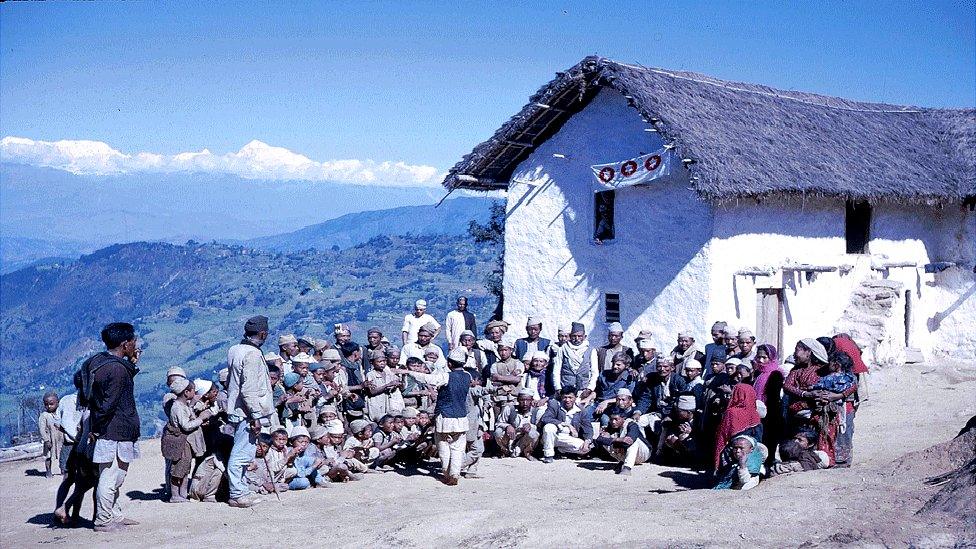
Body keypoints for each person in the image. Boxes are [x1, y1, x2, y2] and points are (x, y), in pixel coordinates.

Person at [82, 322, 142, 532]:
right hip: (114, 431)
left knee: (113, 475)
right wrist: (97, 429)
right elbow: (110, 402)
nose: (136, 345)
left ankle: (114, 514)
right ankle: (104, 520)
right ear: (125, 344)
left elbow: (111, 388)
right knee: (111, 477)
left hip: (109, 429)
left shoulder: (101, 362)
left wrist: (132, 364)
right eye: (133, 342)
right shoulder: (117, 369)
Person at [394, 348, 473, 485]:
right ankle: (454, 473)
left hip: (445, 416)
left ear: (449, 364)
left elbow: (428, 378)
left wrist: (408, 372)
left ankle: (447, 473)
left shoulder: (446, 376)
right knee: (458, 447)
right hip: (461, 416)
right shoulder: (467, 376)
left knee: (443, 445)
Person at [225, 315, 275, 508]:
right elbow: (248, 389)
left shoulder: (234, 349)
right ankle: (237, 493)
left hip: (237, 408)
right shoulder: (253, 354)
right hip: (247, 411)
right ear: (262, 334)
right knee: (242, 453)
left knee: (243, 449)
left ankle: (242, 489)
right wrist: (255, 415)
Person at [162, 377, 214, 502]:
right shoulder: (178, 407)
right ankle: (175, 495)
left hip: (186, 442)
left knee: (185, 467)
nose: (194, 393)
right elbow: (185, 425)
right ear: (186, 392)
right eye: (193, 391)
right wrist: (200, 419)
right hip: (181, 441)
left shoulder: (183, 405)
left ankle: (183, 493)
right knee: (178, 468)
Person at [713, 383, 762, 473]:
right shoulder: (755, 414)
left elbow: (723, 435)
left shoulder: (732, 412)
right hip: (752, 452)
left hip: (734, 452)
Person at [540, 386, 593, 463]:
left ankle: (560, 450)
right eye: (565, 397)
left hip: (567, 437)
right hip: (553, 435)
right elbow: (545, 418)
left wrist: (587, 441)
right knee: (549, 427)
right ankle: (548, 455)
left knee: (585, 448)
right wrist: (567, 425)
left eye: (570, 397)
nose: (567, 400)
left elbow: (588, 428)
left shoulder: (581, 410)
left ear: (575, 398)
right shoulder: (555, 405)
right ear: (561, 397)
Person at [595, 409, 651, 475]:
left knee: (633, 442)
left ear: (623, 418)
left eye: (616, 419)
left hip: (643, 454)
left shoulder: (632, 425)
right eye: (611, 419)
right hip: (624, 452)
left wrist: (617, 441)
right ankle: (623, 461)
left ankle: (627, 468)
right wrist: (616, 440)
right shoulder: (611, 426)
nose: (613, 422)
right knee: (605, 438)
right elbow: (598, 439)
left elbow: (629, 441)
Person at [493, 389, 544, 459]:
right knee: (498, 432)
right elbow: (498, 423)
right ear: (518, 400)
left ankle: (528, 452)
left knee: (533, 434)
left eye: (528, 400)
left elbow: (540, 429)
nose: (525, 403)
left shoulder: (537, 411)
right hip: (511, 437)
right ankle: (504, 451)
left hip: (525, 439)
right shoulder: (509, 409)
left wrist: (531, 426)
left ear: (532, 400)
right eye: (522, 400)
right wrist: (508, 426)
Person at [552, 322, 596, 397]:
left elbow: (594, 372)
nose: (577, 339)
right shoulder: (563, 349)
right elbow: (556, 370)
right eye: (574, 336)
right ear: (570, 336)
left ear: (584, 337)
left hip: (583, 390)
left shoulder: (591, 350)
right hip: (566, 390)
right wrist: (558, 388)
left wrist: (589, 389)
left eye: (580, 336)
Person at [488, 336, 525, 419]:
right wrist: (510, 377)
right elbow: (494, 380)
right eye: (501, 350)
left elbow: (517, 379)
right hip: (499, 398)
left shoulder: (518, 363)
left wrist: (500, 377)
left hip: (514, 398)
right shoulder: (495, 365)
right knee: (498, 422)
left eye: (505, 350)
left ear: (511, 350)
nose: (503, 353)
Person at [364, 353, 405, 421]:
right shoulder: (371, 375)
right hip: (376, 402)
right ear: (372, 363)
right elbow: (372, 391)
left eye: (384, 361)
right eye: (379, 362)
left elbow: (398, 385)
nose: (382, 363)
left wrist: (399, 382)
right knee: (377, 420)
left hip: (387, 402)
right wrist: (387, 385)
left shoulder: (388, 373)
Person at [39, 392, 63, 478]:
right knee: (48, 456)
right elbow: (42, 429)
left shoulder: (60, 413)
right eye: (46, 404)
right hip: (50, 439)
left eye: (51, 404)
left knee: (62, 454)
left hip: (60, 438)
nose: (49, 406)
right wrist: (46, 440)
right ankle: (48, 471)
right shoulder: (44, 415)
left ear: (57, 402)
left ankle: (63, 469)